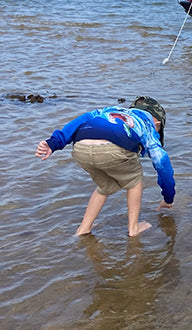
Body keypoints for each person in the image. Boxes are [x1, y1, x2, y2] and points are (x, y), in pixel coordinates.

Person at [35, 96, 175, 237]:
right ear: (156, 122)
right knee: (134, 181)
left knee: (105, 186)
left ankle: (83, 228)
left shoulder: (110, 110)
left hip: (81, 146)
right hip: (113, 146)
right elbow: (162, 164)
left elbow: (81, 120)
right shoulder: (148, 125)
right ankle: (133, 229)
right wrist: (168, 198)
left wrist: (54, 143)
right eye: (159, 130)